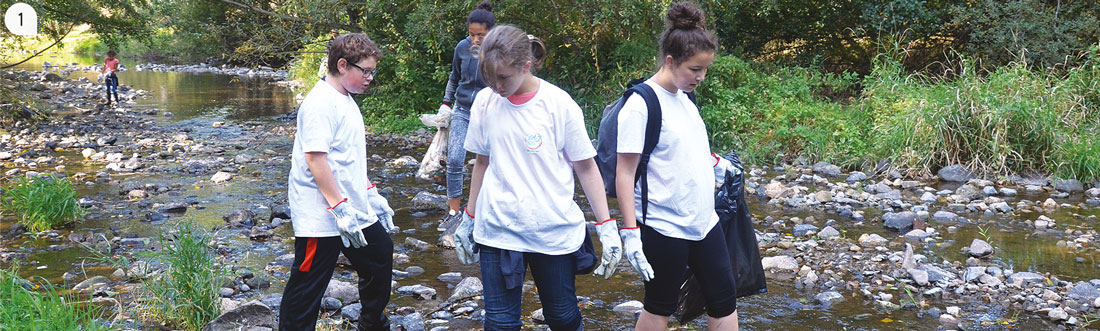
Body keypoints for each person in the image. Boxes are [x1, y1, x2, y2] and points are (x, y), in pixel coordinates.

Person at [452, 25, 623, 330]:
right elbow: (482, 161)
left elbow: (586, 167)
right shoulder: (485, 102)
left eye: (503, 78)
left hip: (552, 231)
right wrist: (468, 216)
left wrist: (607, 225)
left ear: (526, 65)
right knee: (500, 324)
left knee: (563, 317)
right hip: (498, 228)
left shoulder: (558, 105)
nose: (496, 86)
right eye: (489, 78)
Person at [615, 2, 739, 330]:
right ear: (671, 61)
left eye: (705, 69)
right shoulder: (641, 105)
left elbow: (684, 150)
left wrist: (715, 164)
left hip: (703, 221)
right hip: (663, 225)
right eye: (695, 69)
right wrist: (629, 234)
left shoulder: (687, 98)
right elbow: (624, 173)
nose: (701, 77)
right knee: (660, 306)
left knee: (724, 300)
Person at [280, 33, 396, 331]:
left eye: (373, 71)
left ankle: (372, 323)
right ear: (343, 65)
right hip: (321, 214)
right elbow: (316, 160)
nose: (370, 78)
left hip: (352, 209)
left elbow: (347, 160)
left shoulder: (345, 99)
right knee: (308, 283)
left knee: (380, 255)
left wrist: (370, 194)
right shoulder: (320, 103)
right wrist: (339, 207)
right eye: (366, 71)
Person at [440, 0, 495, 215]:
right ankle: (453, 211)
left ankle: (481, 208)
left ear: (491, 32)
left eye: (480, 35)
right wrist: (446, 102)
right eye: (472, 34)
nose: (476, 39)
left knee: (488, 160)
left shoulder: (497, 51)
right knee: (454, 159)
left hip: (489, 112)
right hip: (462, 109)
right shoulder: (462, 48)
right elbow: (454, 77)